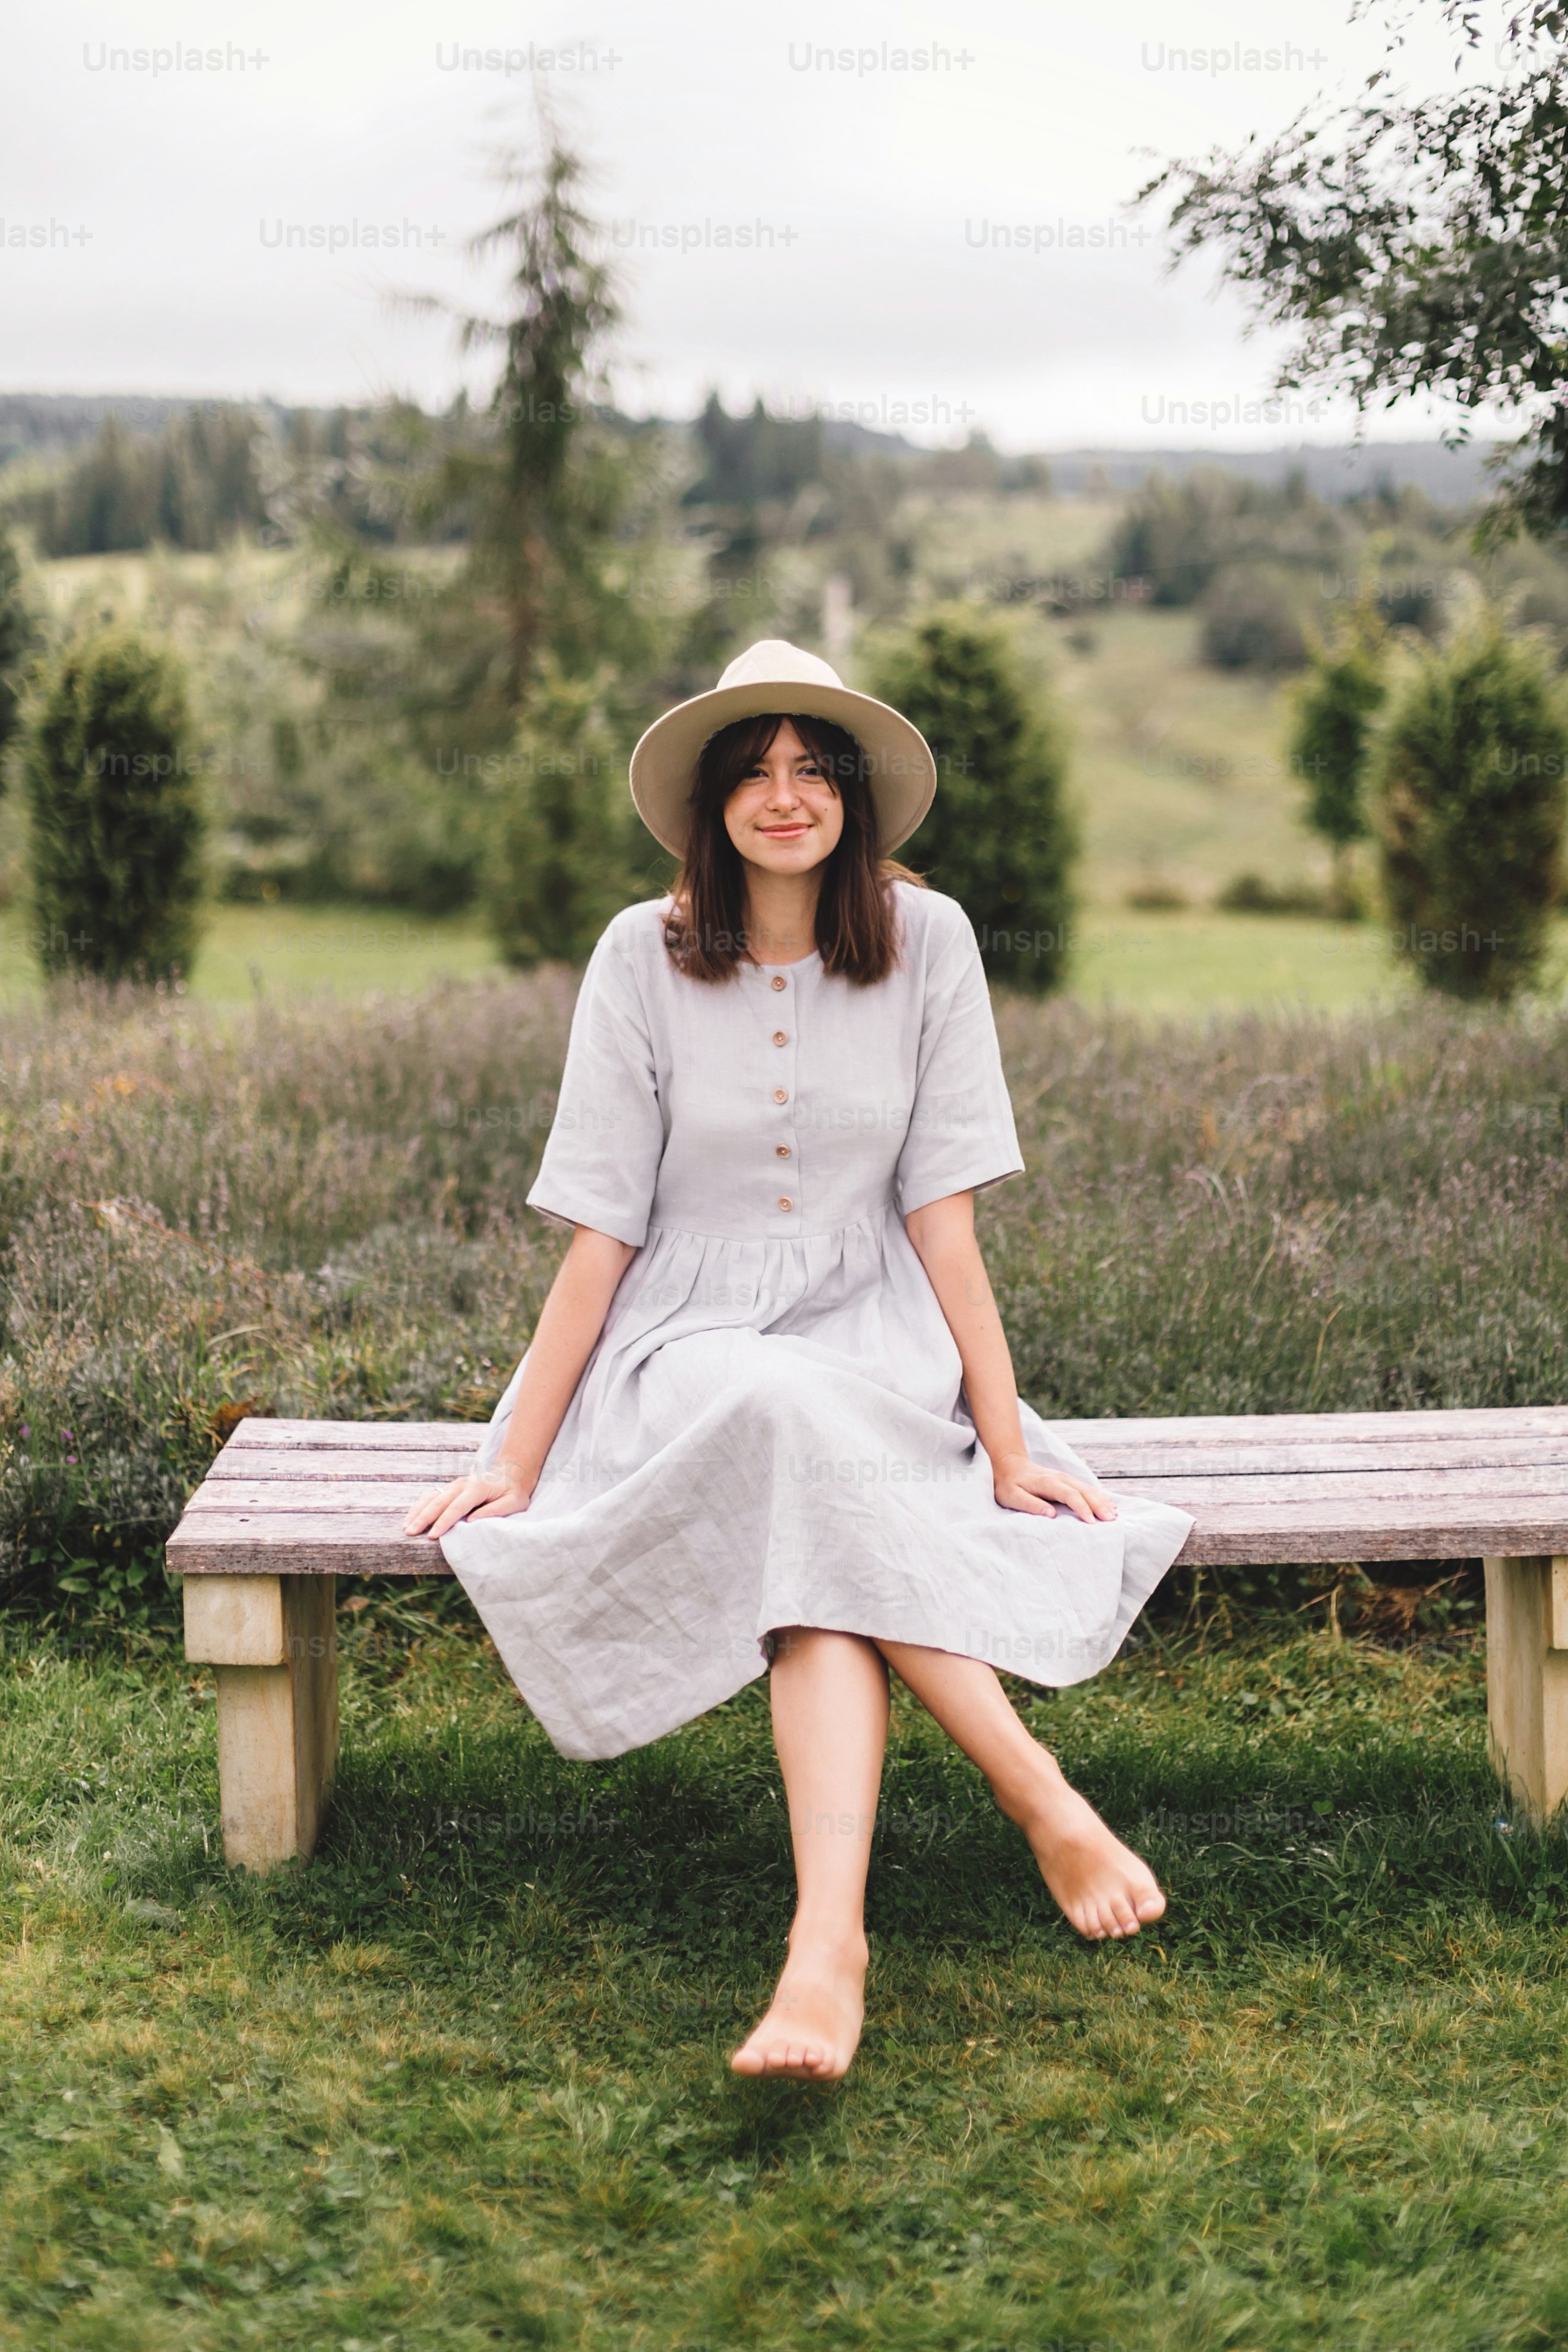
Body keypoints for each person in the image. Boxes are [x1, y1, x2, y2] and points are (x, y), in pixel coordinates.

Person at [405, 639, 1193, 2082]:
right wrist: (516, 1450)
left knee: (815, 1523)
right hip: (681, 1350)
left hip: (874, 1341)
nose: (785, 795)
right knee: (774, 1413)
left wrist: (1008, 1444)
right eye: (754, 771)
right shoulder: (637, 957)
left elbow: (944, 1225)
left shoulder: (932, 942)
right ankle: (1032, 1799)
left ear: (852, 797)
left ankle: (832, 1949)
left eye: (813, 768)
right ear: (711, 803)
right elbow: (602, 1231)